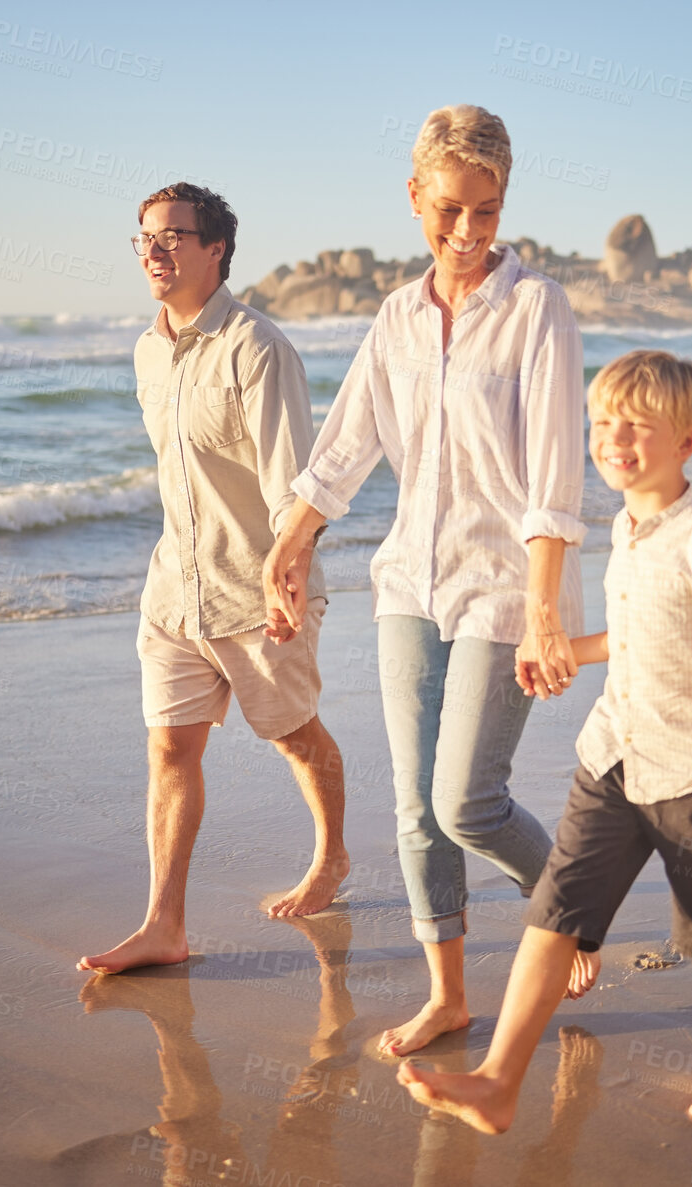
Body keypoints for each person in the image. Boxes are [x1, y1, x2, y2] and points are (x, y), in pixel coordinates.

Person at [263, 105, 590, 1057]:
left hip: (508, 590)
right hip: (411, 581)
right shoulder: (398, 318)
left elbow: (556, 481)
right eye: (449, 209)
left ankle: (570, 907)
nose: (466, 231)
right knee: (413, 804)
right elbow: (347, 444)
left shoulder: (538, 309)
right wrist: (293, 537)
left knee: (467, 801)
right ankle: (448, 995)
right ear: (414, 199)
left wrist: (541, 615)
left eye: (485, 211)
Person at [397, 349, 692, 1128]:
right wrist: (573, 650)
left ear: (690, 440)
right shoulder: (627, 523)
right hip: (612, 754)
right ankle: (500, 1080)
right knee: (554, 910)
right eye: (603, 422)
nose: (615, 439)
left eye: (638, 427)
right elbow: (643, 629)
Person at [77, 183, 348, 974]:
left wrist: (286, 581)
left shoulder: (259, 348)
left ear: (214, 249)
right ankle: (164, 923)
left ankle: (331, 856)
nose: (153, 253)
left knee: (295, 737)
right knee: (169, 751)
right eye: (144, 240)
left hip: (256, 591)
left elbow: (296, 488)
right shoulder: (146, 350)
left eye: (171, 238)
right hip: (173, 591)